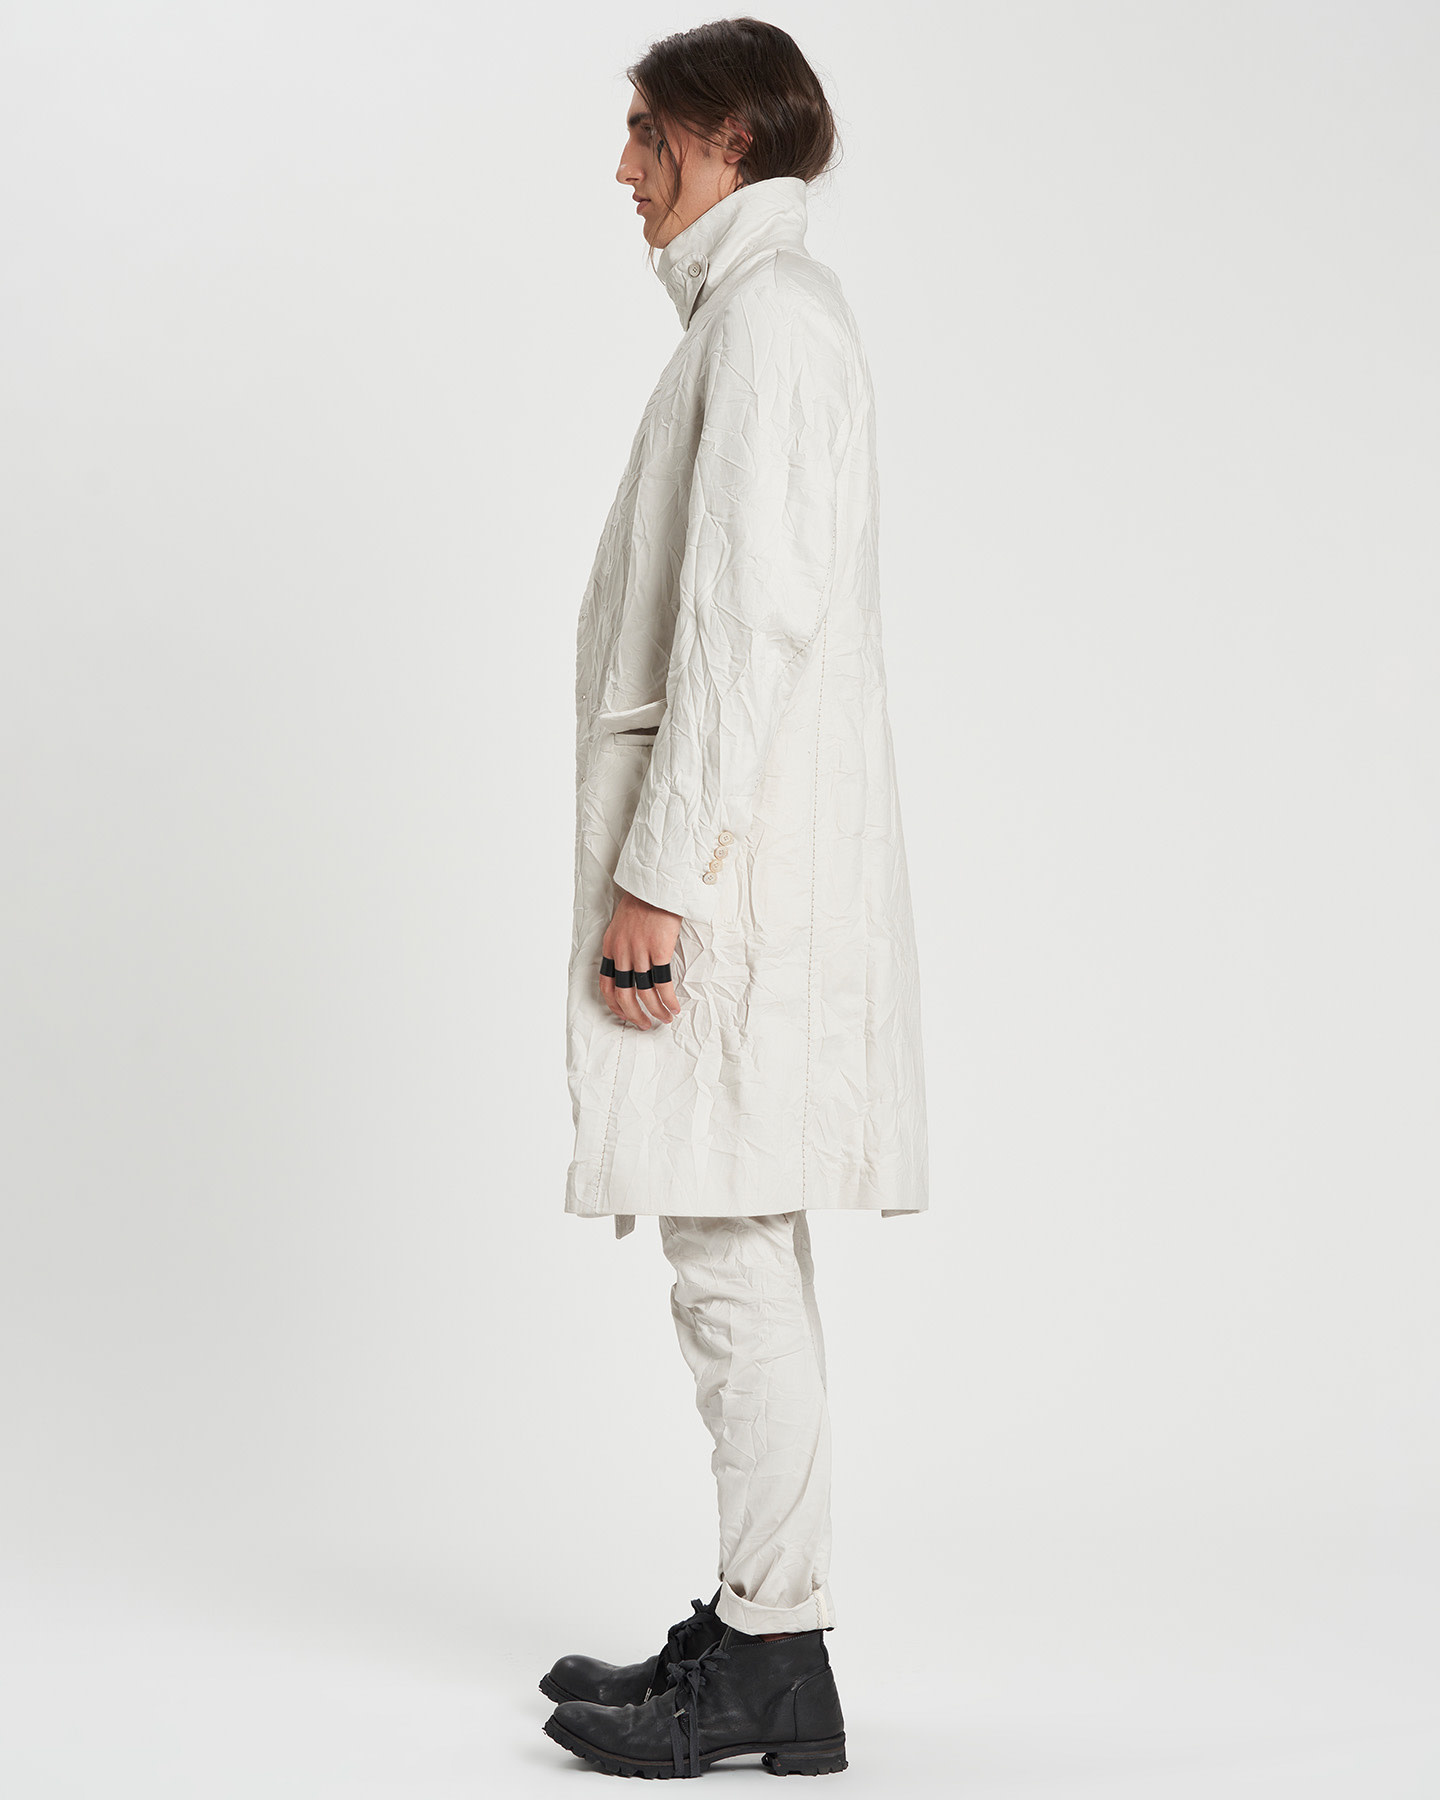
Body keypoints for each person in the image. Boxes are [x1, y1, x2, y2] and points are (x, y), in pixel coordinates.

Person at [542, 18, 928, 1780]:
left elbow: (743, 627)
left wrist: (658, 879)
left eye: (646, 135)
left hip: (728, 895)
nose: (624, 170)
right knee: (737, 1246)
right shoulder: (761, 319)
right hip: (742, 881)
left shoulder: (767, 326)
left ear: (722, 138)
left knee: (727, 1256)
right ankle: (770, 1626)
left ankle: (775, 1655)